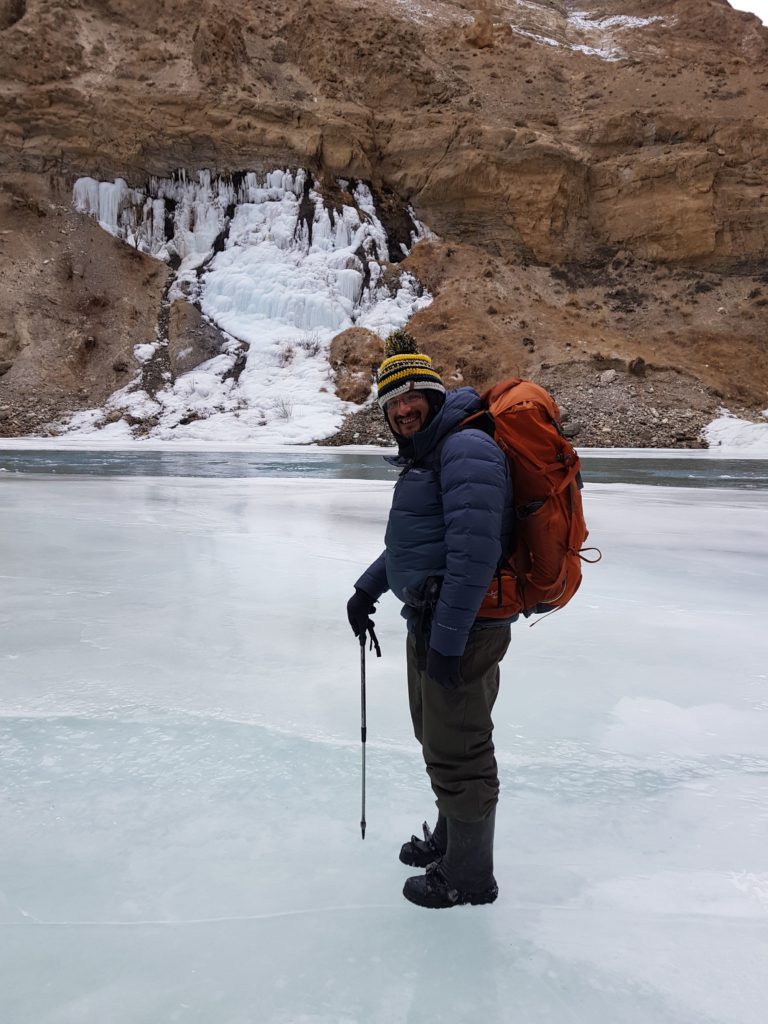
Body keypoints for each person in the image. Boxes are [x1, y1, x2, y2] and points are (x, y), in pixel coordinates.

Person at [346, 331, 515, 909]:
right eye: (391, 403)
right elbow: (418, 543)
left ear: (433, 395)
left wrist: (446, 641)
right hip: (435, 620)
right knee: (438, 737)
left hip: (463, 629)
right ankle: (451, 841)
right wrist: (366, 590)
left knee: (460, 747)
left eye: (411, 396)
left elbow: (474, 553)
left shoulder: (465, 450)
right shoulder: (432, 451)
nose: (401, 409)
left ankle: (469, 877)